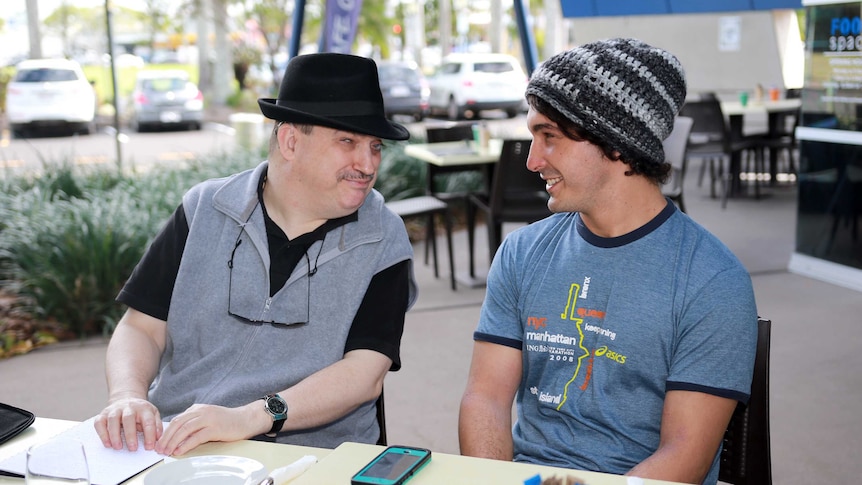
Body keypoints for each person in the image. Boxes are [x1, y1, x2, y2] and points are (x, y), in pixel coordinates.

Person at [458, 38, 758, 485]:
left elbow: (686, 454)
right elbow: (485, 398)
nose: (533, 160)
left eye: (550, 138)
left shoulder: (711, 279)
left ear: (616, 145)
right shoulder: (522, 252)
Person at [94, 53, 418, 456]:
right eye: (348, 142)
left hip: (310, 455)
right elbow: (141, 327)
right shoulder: (204, 209)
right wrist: (126, 396)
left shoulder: (383, 238)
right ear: (291, 142)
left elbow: (364, 373)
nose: (367, 164)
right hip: (175, 441)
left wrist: (251, 417)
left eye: (375, 147)